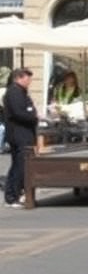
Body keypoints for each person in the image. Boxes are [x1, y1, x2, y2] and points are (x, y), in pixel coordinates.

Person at [4, 68, 38, 208]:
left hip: (22, 133)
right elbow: (19, 113)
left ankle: (13, 194)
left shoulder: (20, 92)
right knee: (20, 165)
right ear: (19, 78)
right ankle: (13, 196)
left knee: (19, 165)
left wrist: (31, 111)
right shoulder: (14, 92)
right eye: (27, 78)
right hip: (19, 134)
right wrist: (32, 116)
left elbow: (29, 108)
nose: (29, 82)